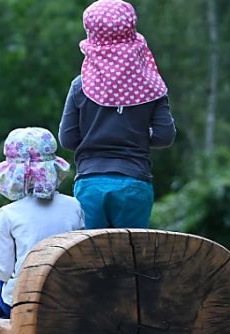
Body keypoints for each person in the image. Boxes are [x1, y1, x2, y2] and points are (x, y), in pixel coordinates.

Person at [59, 0, 176, 229]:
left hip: (90, 184)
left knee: (91, 258)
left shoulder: (79, 86)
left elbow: (68, 139)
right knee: (129, 259)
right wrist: (138, 137)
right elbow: (165, 136)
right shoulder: (151, 86)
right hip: (134, 183)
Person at [0, 127, 84, 319]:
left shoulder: (7, 214)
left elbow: (2, 272)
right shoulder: (74, 206)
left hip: (24, 305)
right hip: (69, 298)